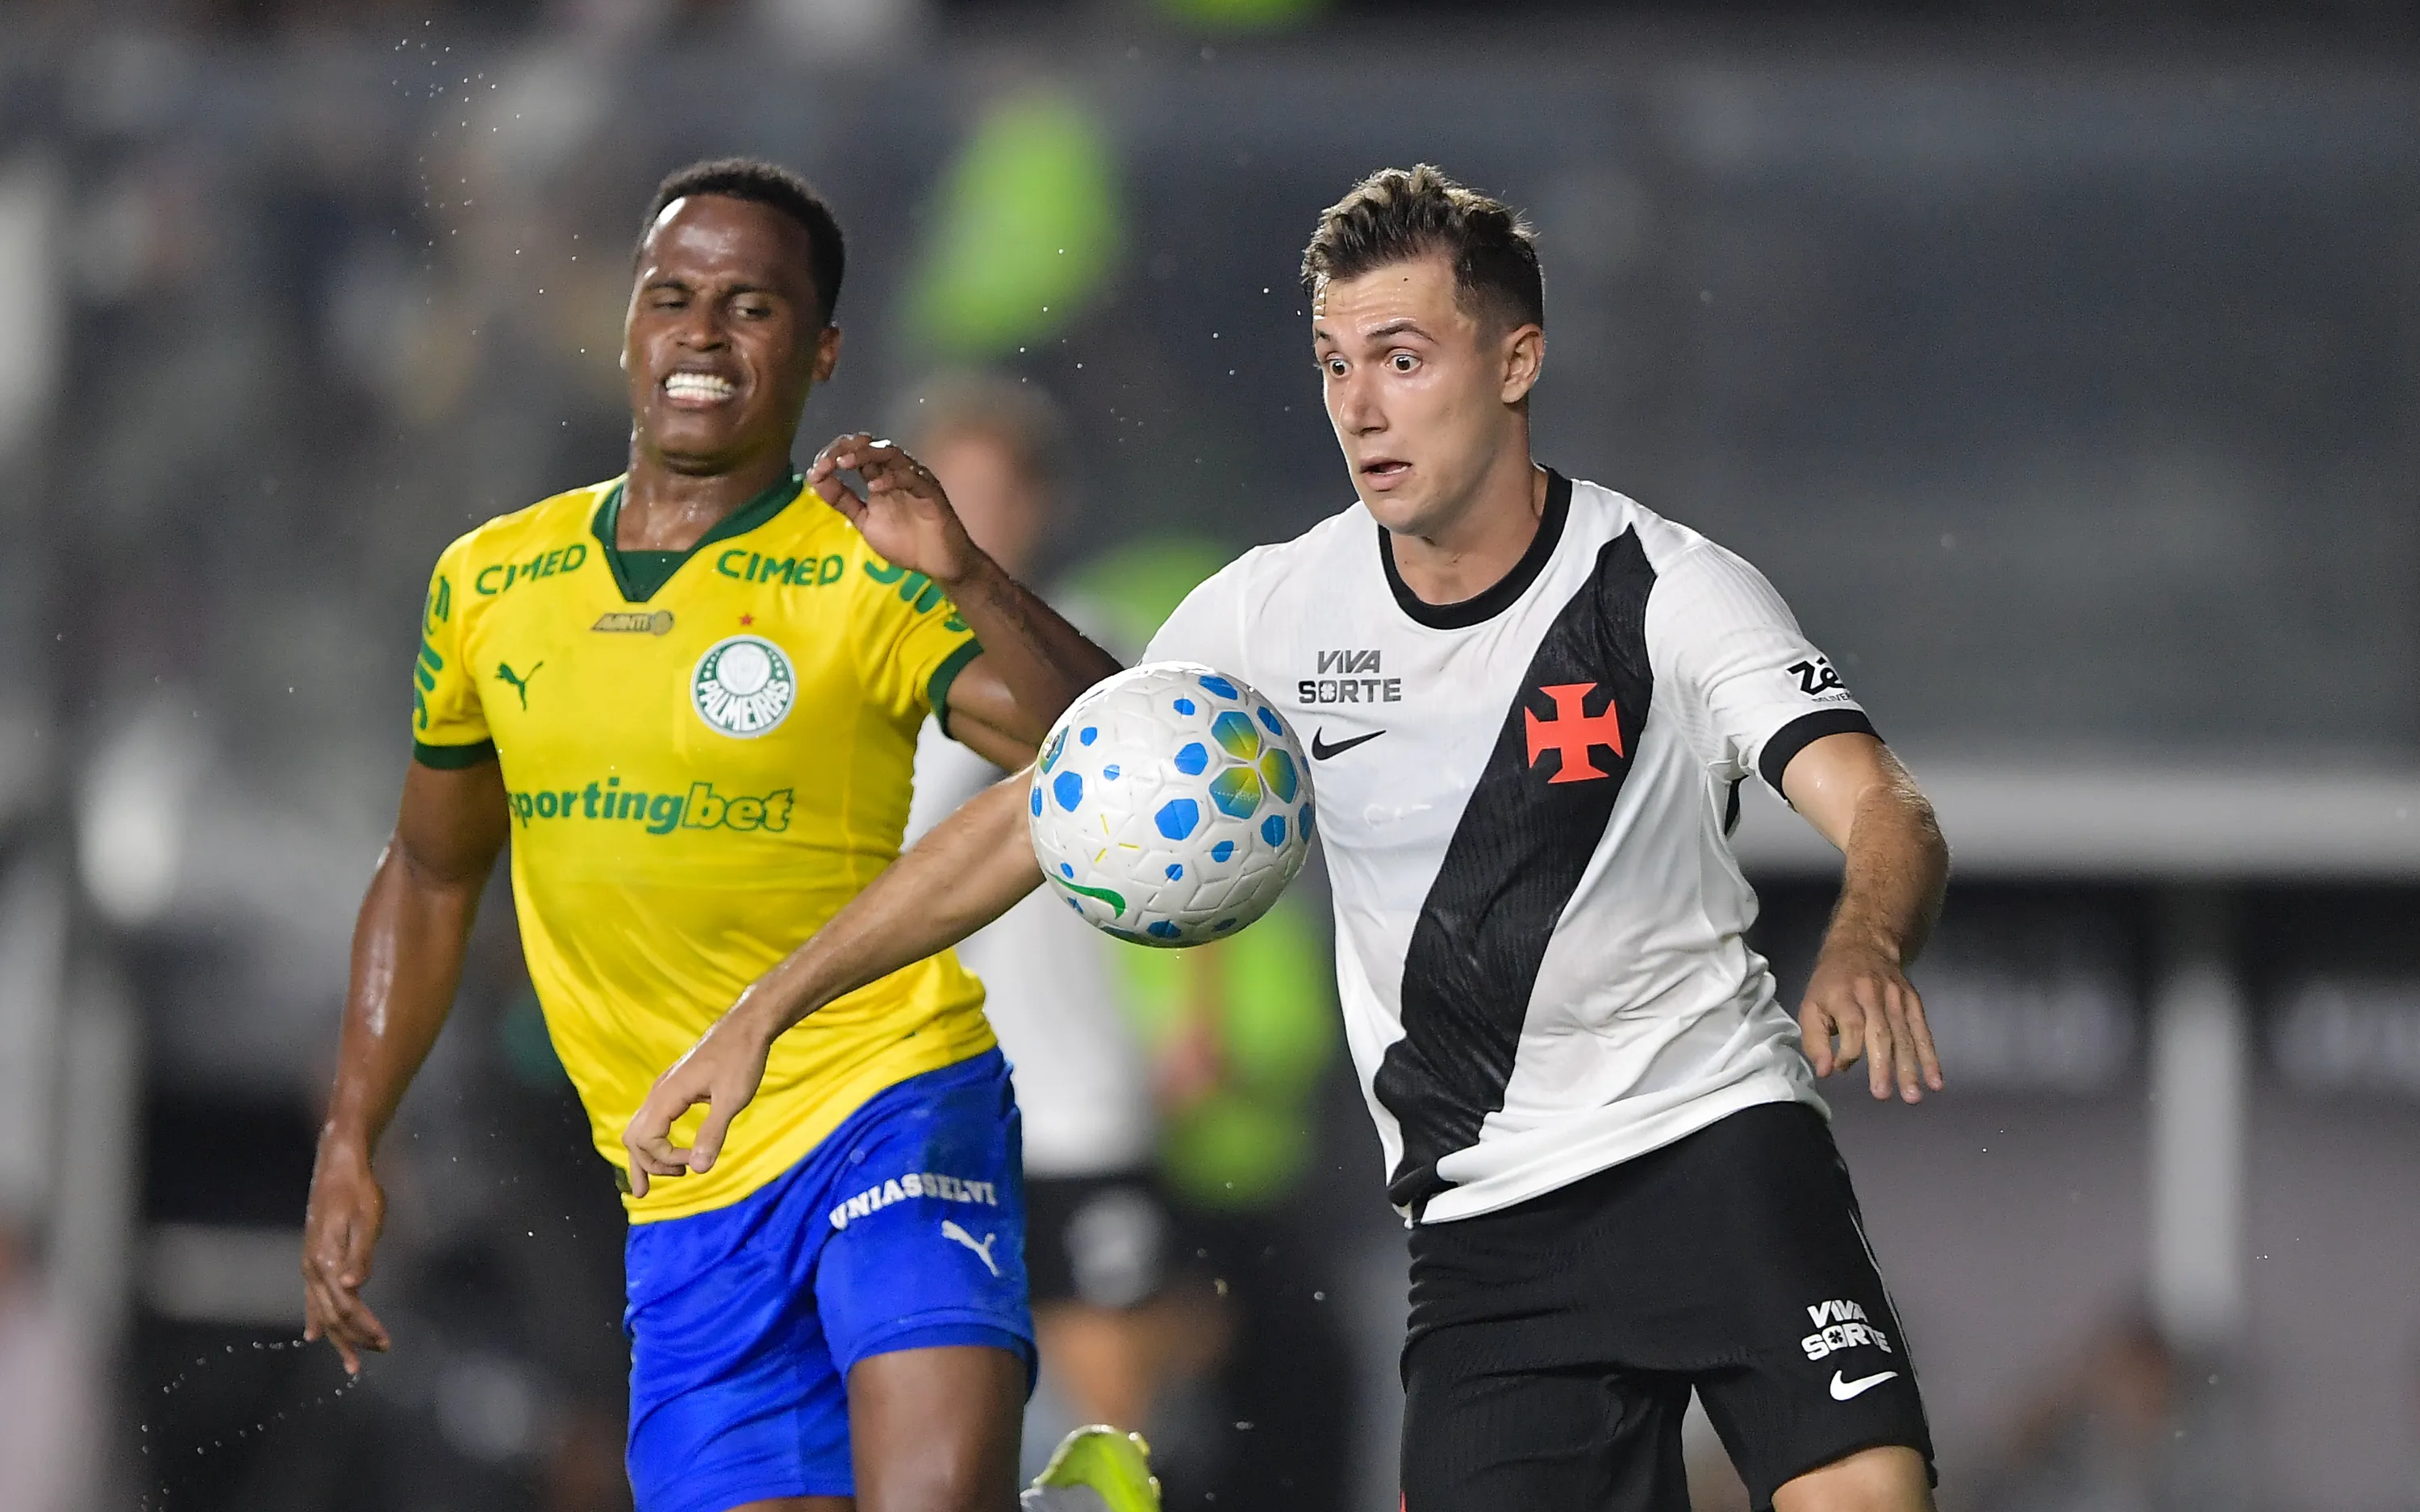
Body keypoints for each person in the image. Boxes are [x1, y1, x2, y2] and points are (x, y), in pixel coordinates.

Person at [625, 164, 1953, 1512]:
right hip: (1484, 1227)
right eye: (1333, 365)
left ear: (1516, 361)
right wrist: (764, 1013)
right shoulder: (1276, 610)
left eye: (1401, 356)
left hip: (1710, 1146)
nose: (1362, 408)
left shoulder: (1665, 586)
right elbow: (1082, 785)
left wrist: (1863, 938)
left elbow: (1881, 802)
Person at [299, 155, 1158, 1512]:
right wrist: (355, 1132)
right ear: (633, 328)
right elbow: (430, 867)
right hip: (682, 1184)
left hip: (890, 1102)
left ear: (820, 354)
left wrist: (970, 574)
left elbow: (1121, 759)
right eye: (673, 296)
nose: (703, 331)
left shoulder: (866, 569)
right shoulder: (489, 583)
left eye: (753, 307)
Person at [892, 373, 1201, 1453]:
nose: (972, 518)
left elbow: (1205, 834)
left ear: (1041, 506)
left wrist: (1193, 1015)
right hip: (921, 1095)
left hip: (1078, 1092)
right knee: (935, 1395)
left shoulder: (1095, 647)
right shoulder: (868, 665)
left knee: (1113, 1401)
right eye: (951, 491)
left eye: (994, 492)